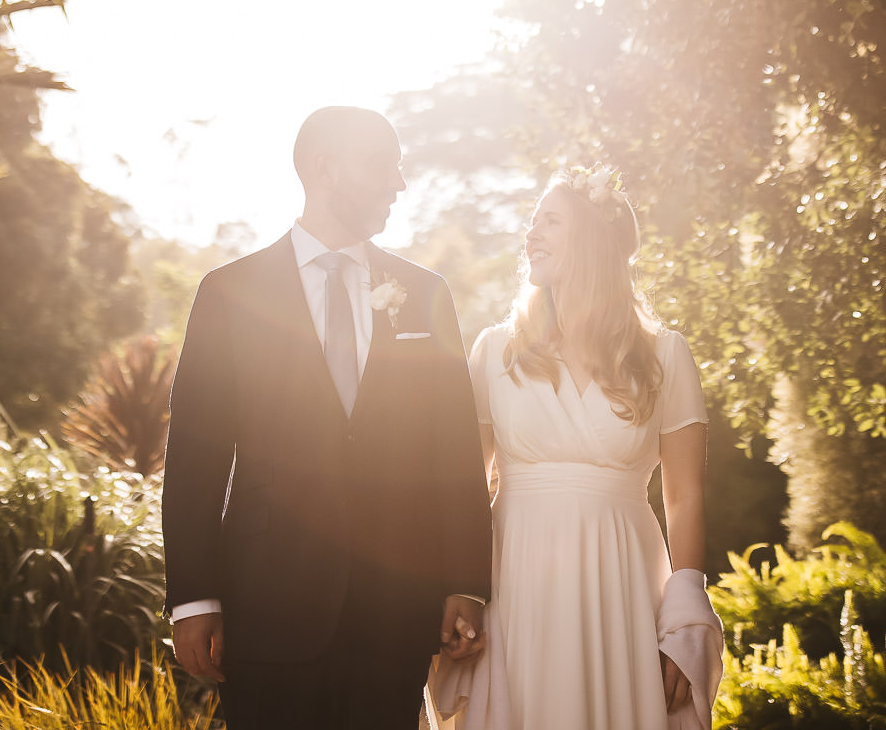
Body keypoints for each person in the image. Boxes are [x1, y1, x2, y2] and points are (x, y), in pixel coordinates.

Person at [163, 106, 493, 729]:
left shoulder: (426, 293)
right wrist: (193, 597)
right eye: (382, 165)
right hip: (268, 604)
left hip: (394, 607)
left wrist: (466, 582)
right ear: (325, 168)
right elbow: (196, 457)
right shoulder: (229, 293)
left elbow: (452, 450)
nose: (399, 183)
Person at [430, 165, 723, 730]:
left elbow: (684, 496)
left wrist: (685, 614)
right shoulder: (495, 351)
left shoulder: (665, 354)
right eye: (532, 221)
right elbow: (466, 484)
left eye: (550, 220)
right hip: (513, 574)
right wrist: (453, 587)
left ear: (590, 239)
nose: (531, 234)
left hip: (622, 575)